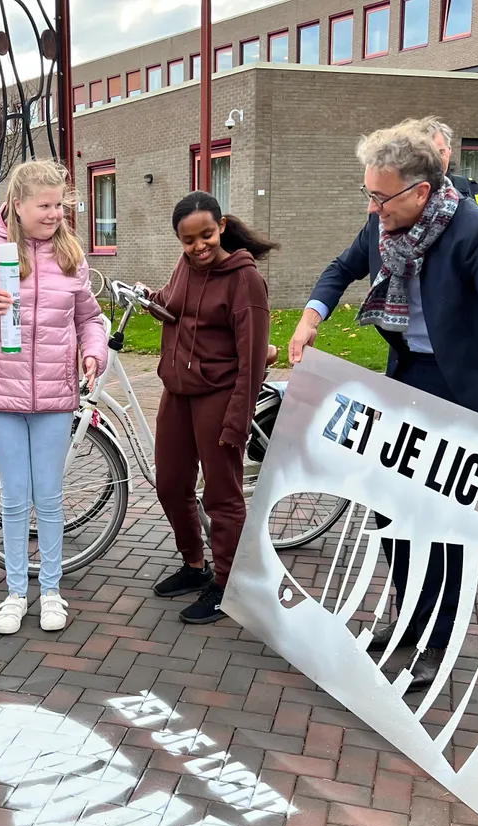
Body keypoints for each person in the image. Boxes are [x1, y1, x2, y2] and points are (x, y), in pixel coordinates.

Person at [288, 120, 478, 692]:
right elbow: (340, 269)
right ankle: (408, 614)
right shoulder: (383, 224)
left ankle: (439, 640)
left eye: (382, 196)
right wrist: (311, 319)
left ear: (421, 191)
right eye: (369, 195)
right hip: (404, 381)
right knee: (390, 511)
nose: (373, 207)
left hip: (462, 393)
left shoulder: (476, 233)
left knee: (442, 526)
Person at [0, 161, 107, 635]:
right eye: (46, 205)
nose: (56, 213)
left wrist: (93, 352)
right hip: (3, 399)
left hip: (56, 398)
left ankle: (52, 591)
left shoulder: (72, 255)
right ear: (18, 205)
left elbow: (90, 319)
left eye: (60, 205)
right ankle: (16, 593)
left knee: (50, 499)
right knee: (15, 501)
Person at [146, 191, 277, 625]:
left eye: (205, 235)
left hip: (220, 396)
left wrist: (237, 420)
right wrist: (148, 298)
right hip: (178, 393)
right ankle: (194, 566)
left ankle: (227, 583)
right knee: (170, 484)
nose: (199, 247)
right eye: (188, 241)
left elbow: (254, 358)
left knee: (222, 496)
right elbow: (172, 302)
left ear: (220, 227)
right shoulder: (186, 266)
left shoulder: (244, 280)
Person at [419, 116, 478, 213]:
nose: (435, 160)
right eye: (429, 154)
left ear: (449, 150)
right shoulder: (403, 192)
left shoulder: (469, 189)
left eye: (441, 152)